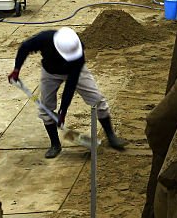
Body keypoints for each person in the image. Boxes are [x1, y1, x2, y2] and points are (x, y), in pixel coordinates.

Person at [7, 27, 126, 158]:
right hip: (50, 73)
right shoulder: (45, 38)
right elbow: (24, 47)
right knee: (45, 109)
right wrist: (17, 69)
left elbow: (70, 85)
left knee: (98, 100)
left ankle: (111, 136)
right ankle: (55, 144)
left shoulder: (77, 52)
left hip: (75, 73)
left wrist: (63, 111)